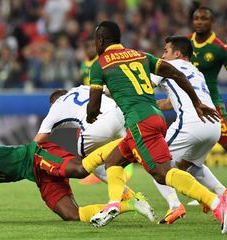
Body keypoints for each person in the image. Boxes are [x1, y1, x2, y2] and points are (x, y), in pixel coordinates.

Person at [85, 21, 226, 234]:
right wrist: (197, 102)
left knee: (163, 173)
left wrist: (91, 115)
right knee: (113, 161)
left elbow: (93, 105)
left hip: (141, 123)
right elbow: (177, 75)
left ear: (101, 40)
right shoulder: (140, 55)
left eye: (96, 40)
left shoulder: (100, 64)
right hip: (152, 119)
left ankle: (217, 204)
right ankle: (113, 205)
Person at [0, 141, 155, 222]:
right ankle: (133, 204)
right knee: (71, 215)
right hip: (37, 176)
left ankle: (123, 145)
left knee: (79, 170)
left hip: (37, 155)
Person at [150, 36, 226, 224]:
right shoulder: (196, 72)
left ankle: (175, 206)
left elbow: (143, 85)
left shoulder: (167, 66)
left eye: (166, 51)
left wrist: (107, 91)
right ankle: (223, 193)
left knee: (155, 164)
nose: (162, 55)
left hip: (192, 122)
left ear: (177, 54)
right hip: (213, 124)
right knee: (192, 166)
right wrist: (158, 104)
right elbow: (174, 100)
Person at [34, 85, 133, 184]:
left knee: (87, 162)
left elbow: (38, 140)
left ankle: (127, 195)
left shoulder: (56, 107)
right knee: (140, 148)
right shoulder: (81, 88)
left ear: (52, 104)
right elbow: (110, 89)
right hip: (120, 113)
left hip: (98, 125)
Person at [189, 7, 227, 151]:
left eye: (204, 19)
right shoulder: (184, 43)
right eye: (196, 18)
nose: (199, 22)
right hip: (188, 103)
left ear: (212, 21)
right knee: (187, 149)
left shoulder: (220, 49)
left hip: (211, 103)